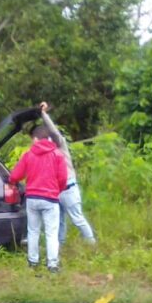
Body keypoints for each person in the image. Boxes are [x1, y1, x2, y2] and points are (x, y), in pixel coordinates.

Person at [9, 125, 68, 272]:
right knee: (51, 233)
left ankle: (33, 262)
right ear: (47, 138)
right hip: (50, 198)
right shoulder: (58, 154)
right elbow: (63, 178)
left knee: (33, 231)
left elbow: (15, 176)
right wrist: (56, 191)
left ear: (36, 139)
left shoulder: (29, 155)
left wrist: (10, 181)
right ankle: (52, 265)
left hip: (32, 198)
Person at [39, 102, 97, 245]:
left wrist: (43, 114)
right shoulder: (47, 154)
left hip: (69, 189)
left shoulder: (60, 146)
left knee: (77, 218)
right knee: (59, 220)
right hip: (57, 191)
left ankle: (92, 244)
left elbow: (54, 131)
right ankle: (61, 245)